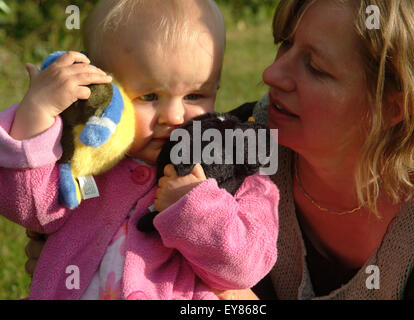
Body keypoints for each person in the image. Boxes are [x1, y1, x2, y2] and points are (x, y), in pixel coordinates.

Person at [24, 0, 414, 300]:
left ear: (394, 106)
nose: (271, 73)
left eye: (316, 67)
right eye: (286, 44)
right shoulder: (230, 145)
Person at [0, 0, 279, 300]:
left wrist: (196, 207)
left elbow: (247, 267)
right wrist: (35, 116)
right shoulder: (89, 159)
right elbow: (31, 210)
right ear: (106, 91)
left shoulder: (234, 168)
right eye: (148, 96)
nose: (173, 117)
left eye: (195, 95)